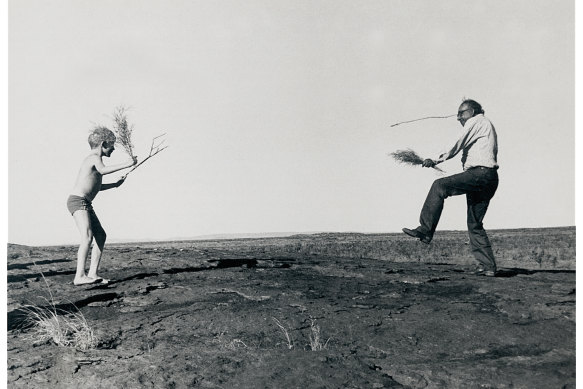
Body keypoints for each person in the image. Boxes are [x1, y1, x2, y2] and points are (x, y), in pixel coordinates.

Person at [402, 99, 499, 276]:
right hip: (490, 178)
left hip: (480, 174)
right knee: (474, 224)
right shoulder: (485, 125)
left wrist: (436, 159)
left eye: (461, 113)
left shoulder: (476, 121)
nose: (458, 118)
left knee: (439, 186)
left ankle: (425, 230)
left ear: (473, 111)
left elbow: (457, 142)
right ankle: (488, 267)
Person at [67, 126, 137, 285]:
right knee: (87, 237)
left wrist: (114, 185)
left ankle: (92, 274)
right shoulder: (94, 158)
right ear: (103, 144)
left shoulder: (95, 160)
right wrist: (127, 164)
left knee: (101, 235)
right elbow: (103, 171)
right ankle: (79, 276)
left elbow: (95, 185)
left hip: (84, 202)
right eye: (112, 145)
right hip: (78, 201)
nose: (113, 148)